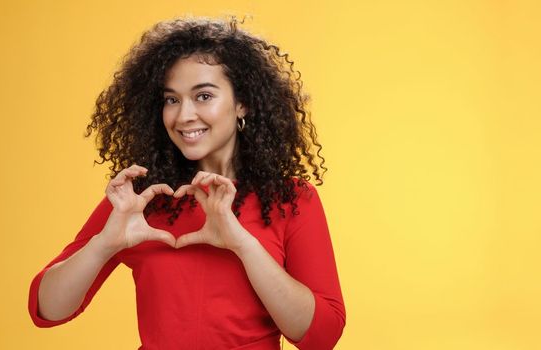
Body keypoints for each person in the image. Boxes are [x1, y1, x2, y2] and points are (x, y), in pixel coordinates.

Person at [28, 15, 345, 350]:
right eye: (171, 99)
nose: (183, 116)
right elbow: (46, 309)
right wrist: (104, 243)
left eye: (203, 96)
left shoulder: (290, 199)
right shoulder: (140, 199)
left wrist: (242, 243)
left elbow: (323, 336)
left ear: (242, 103)